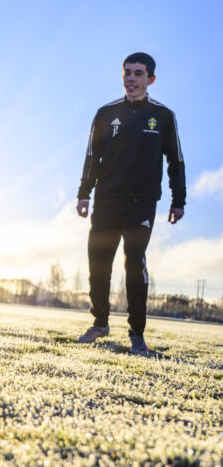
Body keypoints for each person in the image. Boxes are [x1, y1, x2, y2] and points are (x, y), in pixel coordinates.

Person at [75, 52, 185, 355]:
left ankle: (137, 335)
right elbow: (91, 157)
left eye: (138, 73)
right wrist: (84, 193)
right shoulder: (105, 113)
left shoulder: (163, 116)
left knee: (134, 262)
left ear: (151, 79)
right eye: (127, 73)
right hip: (106, 199)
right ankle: (99, 323)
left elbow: (175, 160)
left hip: (142, 202)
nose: (131, 78)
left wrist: (179, 200)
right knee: (99, 262)